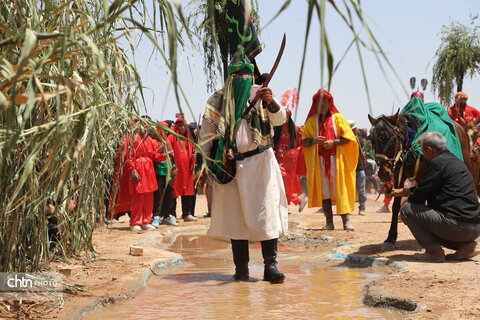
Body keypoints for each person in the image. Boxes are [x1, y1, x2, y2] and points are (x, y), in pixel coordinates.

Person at [200, 59, 288, 283]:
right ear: (230, 77)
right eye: (238, 77)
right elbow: (207, 135)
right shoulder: (218, 100)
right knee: (235, 218)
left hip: (261, 163)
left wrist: (271, 102)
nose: (243, 81)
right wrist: (206, 163)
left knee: (266, 213)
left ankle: (271, 266)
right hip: (231, 166)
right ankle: (241, 269)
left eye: (246, 77)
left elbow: (280, 119)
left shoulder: (261, 94)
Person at [391, 131, 480, 261]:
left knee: (407, 210)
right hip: (475, 228)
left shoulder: (436, 163)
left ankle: (434, 251)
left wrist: (408, 200)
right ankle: (465, 246)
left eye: (423, 152)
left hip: (457, 227)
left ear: (429, 149)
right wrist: (404, 191)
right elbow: (433, 188)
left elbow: (419, 197)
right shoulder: (457, 162)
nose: (424, 156)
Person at [301, 89, 358, 231]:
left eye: (325, 101)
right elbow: (303, 141)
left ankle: (346, 222)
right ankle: (329, 223)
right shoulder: (310, 122)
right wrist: (314, 140)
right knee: (324, 192)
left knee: (340, 190)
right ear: (315, 103)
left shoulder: (338, 118)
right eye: (319, 102)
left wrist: (334, 142)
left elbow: (349, 138)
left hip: (337, 161)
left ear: (329, 102)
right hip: (319, 161)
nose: (322, 105)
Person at [125, 119, 166, 231]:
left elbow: (153, 155)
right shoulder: (133, 138)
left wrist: (164, 156)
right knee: (138, 196)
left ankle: (145, 221)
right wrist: (132, 169)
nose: (146, 126)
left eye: (148, 124)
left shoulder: (148, 139)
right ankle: (135, 222)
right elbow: (129, 155)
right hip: (139, 167)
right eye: (144, 123)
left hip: (149, 169)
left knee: (148, 196)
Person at [273, 109, 307, 212]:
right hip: (278, 159)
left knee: (287, 182)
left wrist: (295, 155)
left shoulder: (296, 130)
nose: (284, 119)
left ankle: (295, 201)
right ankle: (288, 205)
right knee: (282, 182)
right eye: (283, 117)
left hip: (290, 160)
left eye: (286, 117)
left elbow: (301, 144)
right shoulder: (275, 130)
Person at [168, 118, 197, 222]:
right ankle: (172, 213)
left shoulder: (189, 139)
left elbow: (193, 152)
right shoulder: (172, 138)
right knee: (174, 191)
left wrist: (194, 159)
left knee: (188, 191)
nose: (182, 128)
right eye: (180, 126)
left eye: (184, 126)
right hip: (176, 169)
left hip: (187, 170)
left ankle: (187, 213)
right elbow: (169, 151)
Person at [151, 121, 177, 227]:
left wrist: (174, 168)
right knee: (157, 195)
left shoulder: (168, 142)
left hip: (168, 171)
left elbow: (172, 155)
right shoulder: (154, 141)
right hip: (158, 171)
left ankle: (167, 215)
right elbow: (153, 154)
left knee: (168, 195)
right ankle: (156, 216)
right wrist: (163, 146)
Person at [348, 120, 367, 215]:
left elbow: (360, 152)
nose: (357, 130)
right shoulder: (348, 138)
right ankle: (350, 208)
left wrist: (363, 160)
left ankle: (362, 207)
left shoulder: (356, 138)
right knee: (353, 190)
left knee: (361, 189)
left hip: (357, 168)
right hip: (351, 168)